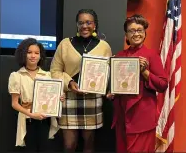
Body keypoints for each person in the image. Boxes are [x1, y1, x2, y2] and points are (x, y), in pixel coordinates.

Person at [50, 9, 112, 153]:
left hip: (92, 98)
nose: (85, 26)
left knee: (89, 145)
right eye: (81, 23)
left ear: (95, 25)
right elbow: (55, 71)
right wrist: (70, 82)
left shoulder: (104, 46)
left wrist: (107, 88)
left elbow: (109, 73)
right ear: (77, 25)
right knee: (69, 145)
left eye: (89, 22)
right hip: (69, 98)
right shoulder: (65, 44)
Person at [107, 14, 168, 153]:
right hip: (122, 117)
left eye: (139, 30)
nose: (136, 34)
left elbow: (163, 85)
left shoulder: (151, 55)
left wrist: (145, 72)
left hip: (142, 119)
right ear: (126, 35)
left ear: (144, 32)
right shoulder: (119, 57)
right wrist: (112, 93)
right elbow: (116, 85)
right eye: (132, 31)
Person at [8, 38, 64, 152]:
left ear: (41, 56)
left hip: (45, 120)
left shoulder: (48, 75)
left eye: (36, 53)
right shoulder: (17, 76)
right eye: (29, 52)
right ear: (23, 54)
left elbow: (53, 98)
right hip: (28, 120)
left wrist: (59, 99)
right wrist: (32, 114)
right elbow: (14, 103)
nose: (33, 56)